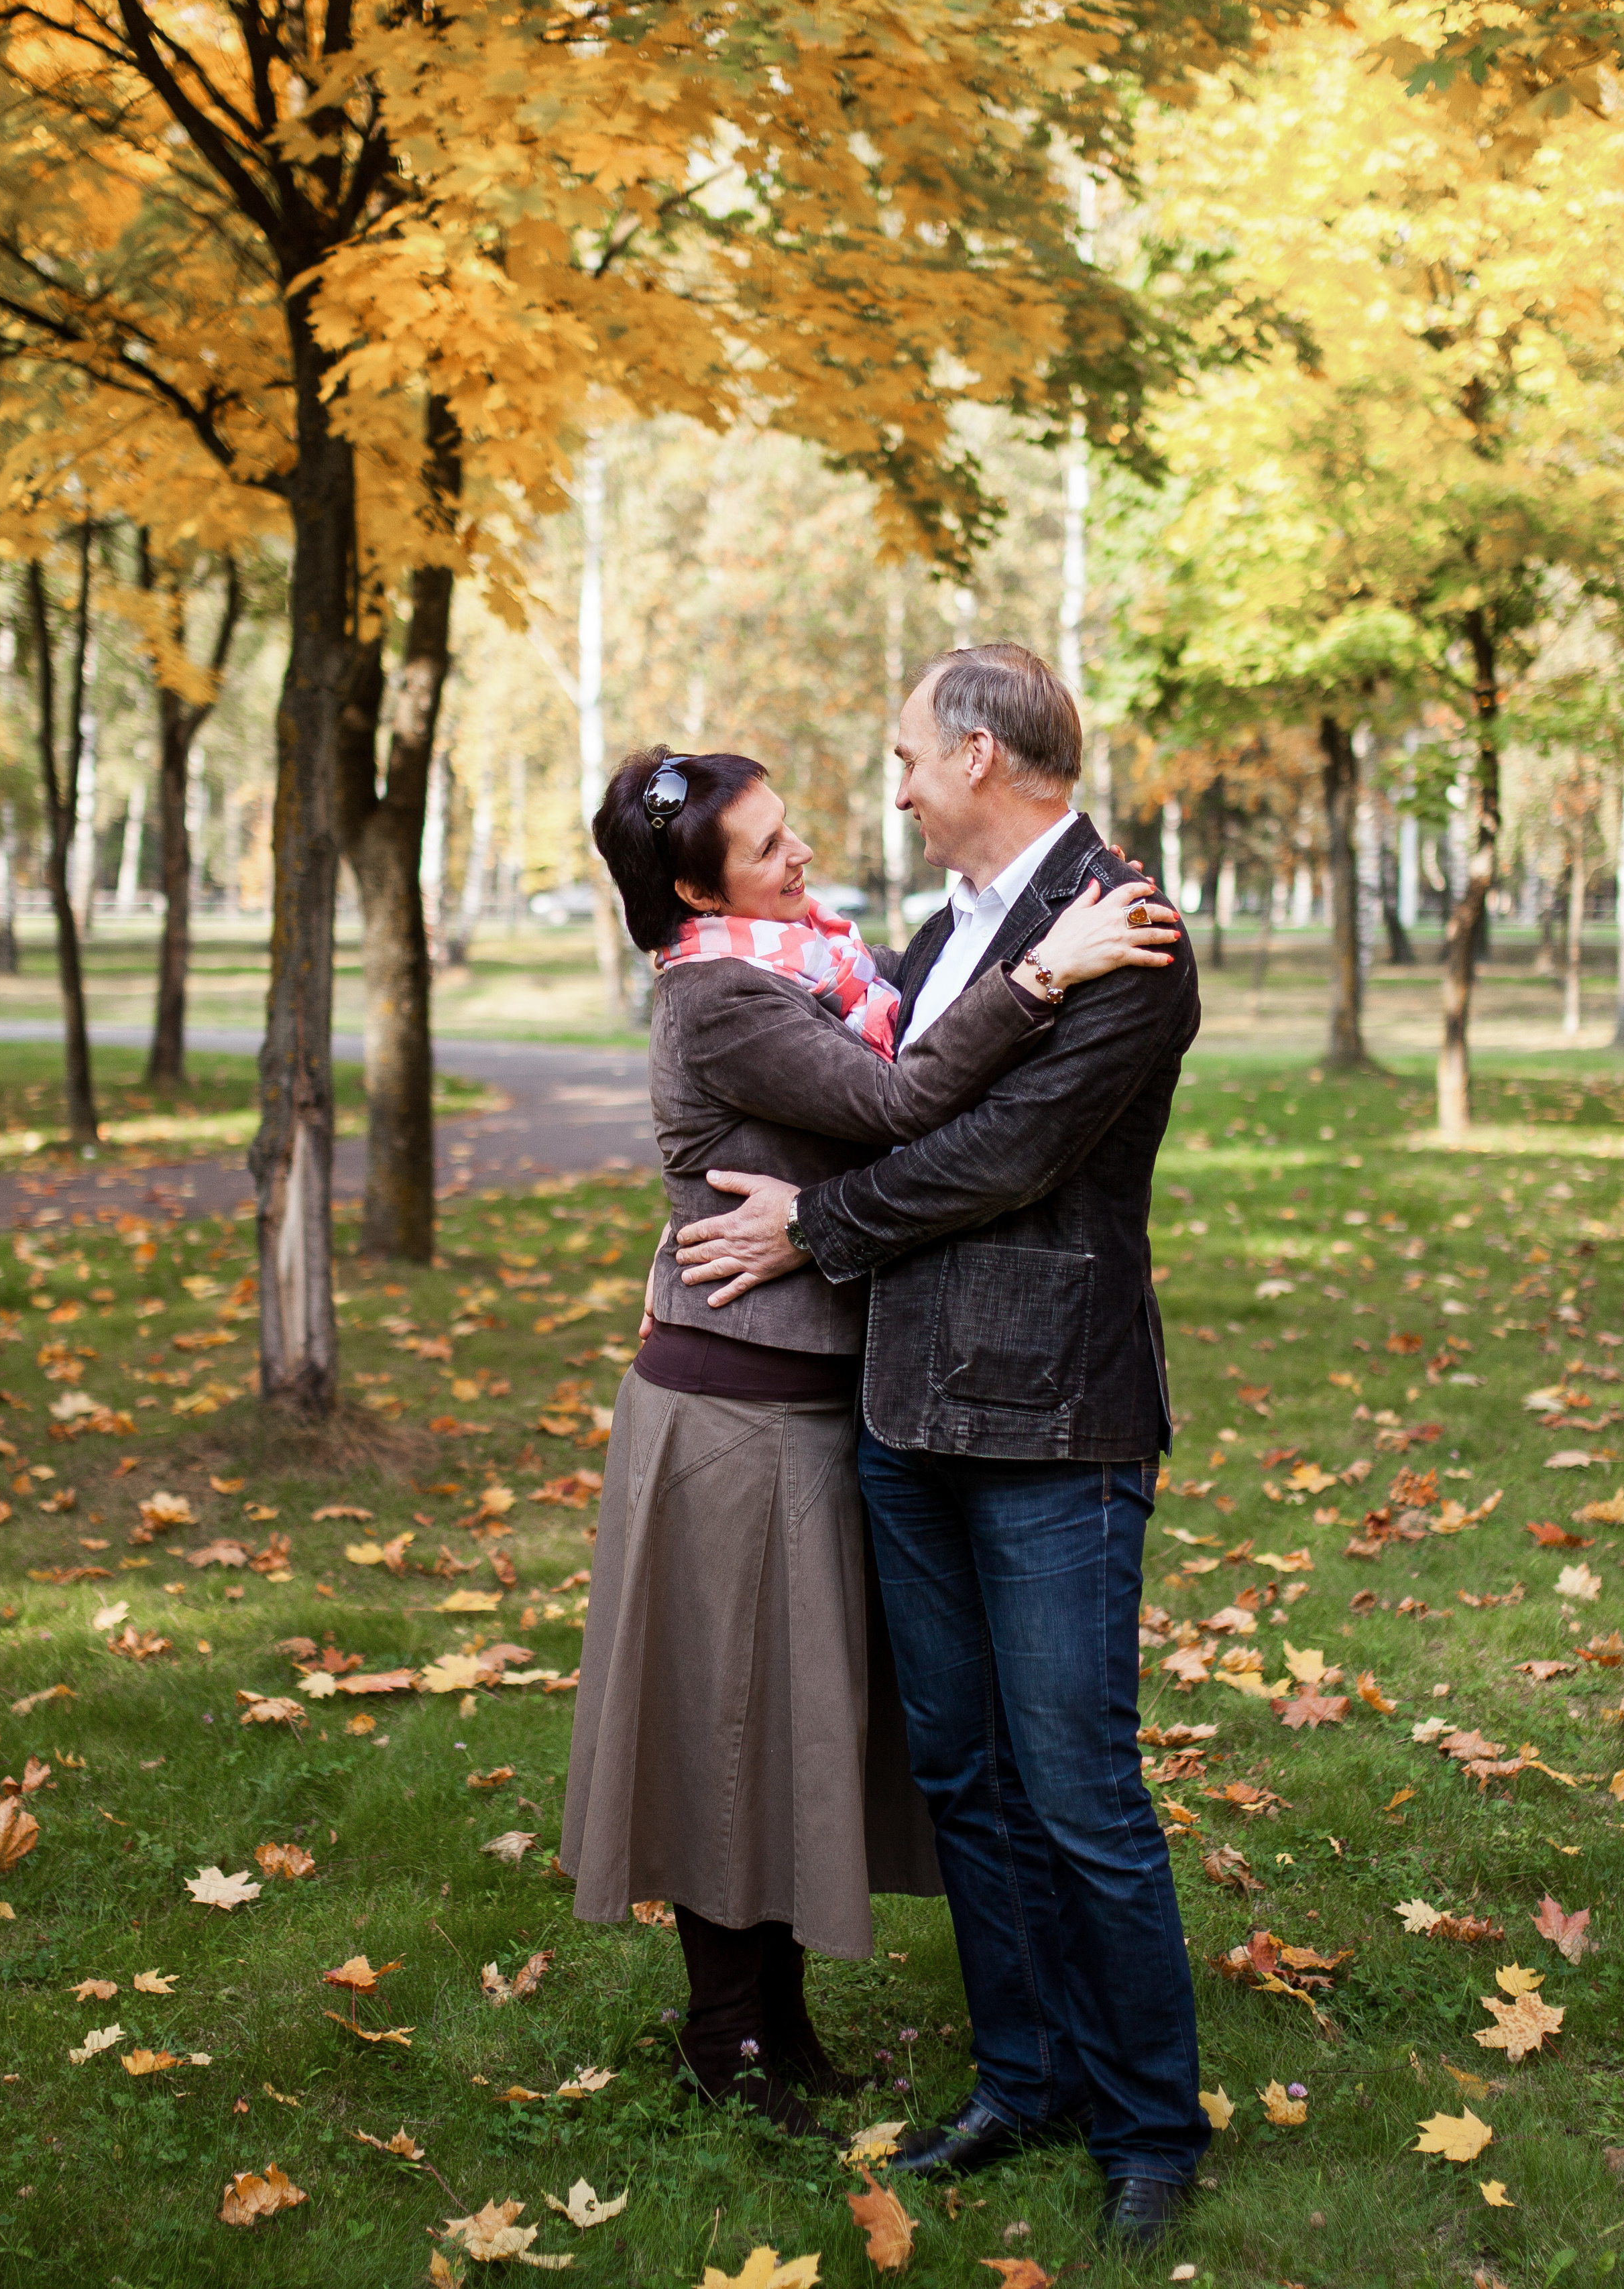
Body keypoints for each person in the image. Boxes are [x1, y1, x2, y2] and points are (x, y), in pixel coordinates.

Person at [559, 740, 1181, 2139]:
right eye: (768, 847)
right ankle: (725, 2035)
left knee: (784, 1719)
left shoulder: (811, 965)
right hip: (730, 1413)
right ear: (689, 883)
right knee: (726, 1721)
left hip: (814, 1409)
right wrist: (1041, 976)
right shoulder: (723, 999)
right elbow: (902, 1107)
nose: (801, 857)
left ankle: (776, 2021)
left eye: (789, 833)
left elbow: (908, 1060)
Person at [673, 643, 1207, 2248]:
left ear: (978, 755)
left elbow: (1003, 1155)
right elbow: (894, 1093)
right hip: (905, 1409)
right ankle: (1023, 2077)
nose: (891, 786)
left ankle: (1148, 2127)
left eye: (907, 754)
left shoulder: (1130, 929)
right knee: (965, 1777)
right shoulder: (938, 932)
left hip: (1052, 1419)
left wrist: (813, 1228)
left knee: (1077, 1787)